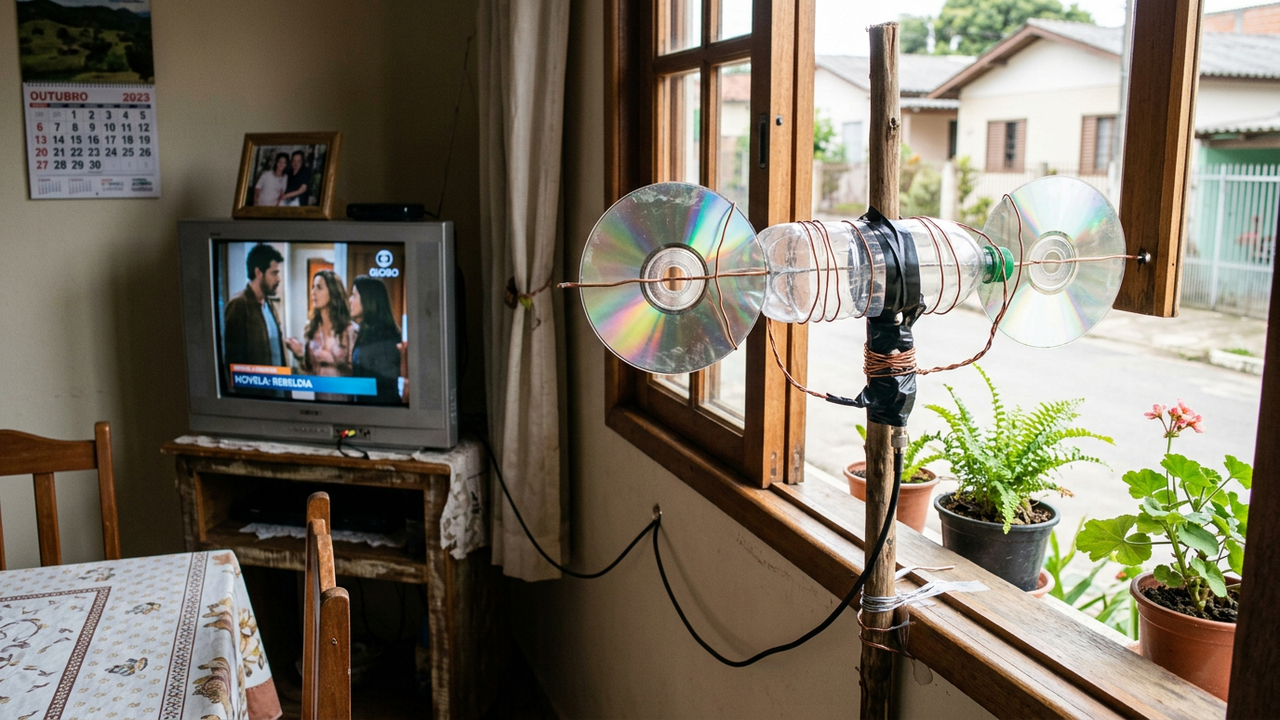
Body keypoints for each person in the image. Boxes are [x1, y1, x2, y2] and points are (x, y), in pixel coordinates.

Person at [223, 244, 287, 395]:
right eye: (274, 273)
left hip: (279, 393)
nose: (278, 279)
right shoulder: (239, 305)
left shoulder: (269, 304)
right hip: (259, 399)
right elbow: (234, 363)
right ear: (258, 272)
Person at [285, 269, 358, 401]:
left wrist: (332, 360)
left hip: (345, 406)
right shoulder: (311, 329)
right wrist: (300, 355)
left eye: (319, 288)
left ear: (332, 292)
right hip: (320, 403)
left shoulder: (349, 330)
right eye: (313, 287)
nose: (313, 292)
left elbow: (358, 373)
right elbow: (310, 371)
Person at [349, 276, 405, 404]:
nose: (350, 300)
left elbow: (382, 388)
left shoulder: (384, 340)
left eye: (354, 295)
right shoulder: (366, 333)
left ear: (368, 300)